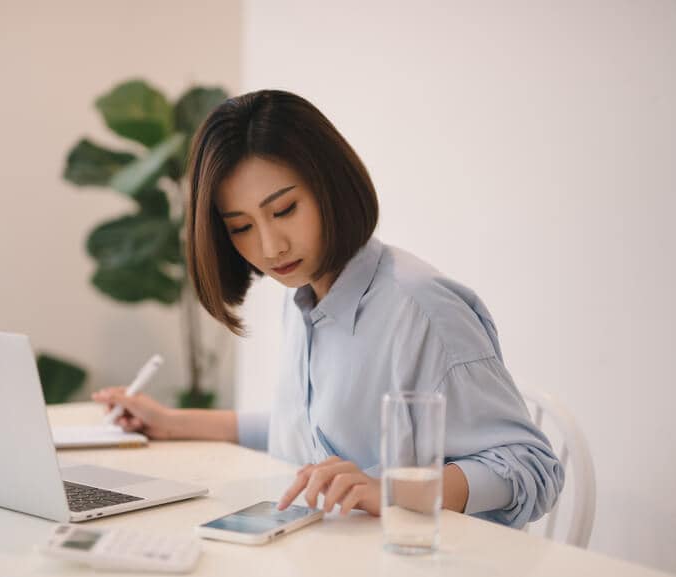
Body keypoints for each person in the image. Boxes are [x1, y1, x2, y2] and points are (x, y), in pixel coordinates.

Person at [93, 89, 563, 528]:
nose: (270, 246)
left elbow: (531, 466)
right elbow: (304, 430)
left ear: (329, 185)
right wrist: (173, 423)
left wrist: (391, 491)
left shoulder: (422, 307)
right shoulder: (304, 297)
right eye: (241, 227)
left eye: (284, 211)